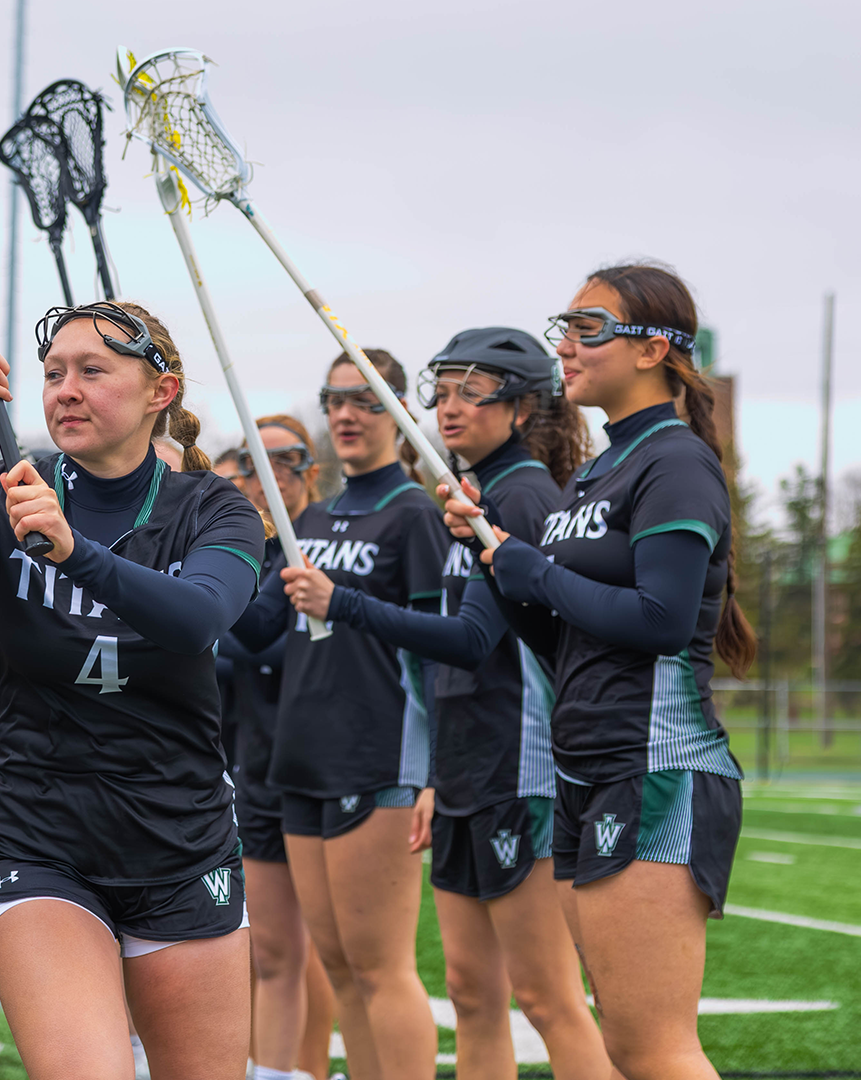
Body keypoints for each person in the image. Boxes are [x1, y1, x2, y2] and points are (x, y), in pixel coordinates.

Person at [0, 301, 268, 1080]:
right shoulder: (3, 490)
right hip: (40, 842)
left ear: (162, 392)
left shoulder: (215, 507)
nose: (66, 391)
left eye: (93, 372)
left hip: (180, 844)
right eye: (53, 374)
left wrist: (76, 552)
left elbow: (197, 619)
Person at [444, 264, 751, 1080]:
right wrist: (493, 558)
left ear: (654, 349)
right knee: (622, 1045)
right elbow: (558, 642)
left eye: (587, 327)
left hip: (654, 767)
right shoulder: (594, 473)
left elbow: (657, 620)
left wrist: (532, 570)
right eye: (565, 325)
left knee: (655, 1048)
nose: (565, 346)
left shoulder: (674, 463)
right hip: (590, 766)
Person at [286, 332, 613, 1080]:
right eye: (446, 389)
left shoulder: (523, 494)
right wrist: (437, 771)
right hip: (469, 764)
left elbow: (471, 640)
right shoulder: (474, 495)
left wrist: (346, 605)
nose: (451, 406)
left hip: (517, 762)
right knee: (471, 991)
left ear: (525, 405)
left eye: (475, 391)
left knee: (547, 995)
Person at [233, 351, 448, 1080]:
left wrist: (433, 773)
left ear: (400, 414)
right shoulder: (312, 517)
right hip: (301, 757)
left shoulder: (415, 513)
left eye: (367, 401)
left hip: (377, 755)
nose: (348, 415)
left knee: (382, 968)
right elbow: (256, 629)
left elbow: (444, 646)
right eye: (336, 400)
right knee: (339, 967)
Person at [221, 417, 341, 1080]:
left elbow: (259, 643)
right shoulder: (253, 546)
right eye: (254, 463)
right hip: (256, 760)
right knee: (270, 950)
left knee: (327, 952)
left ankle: (311, 1068)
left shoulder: (320, 537)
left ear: (307, 467)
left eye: (284, 461)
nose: (269, 476)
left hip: (322, 764)